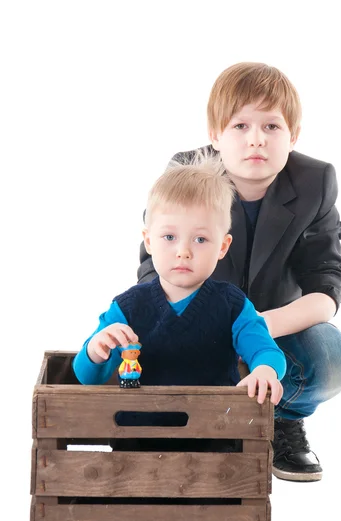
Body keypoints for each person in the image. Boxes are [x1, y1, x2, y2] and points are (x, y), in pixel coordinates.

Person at [138, 62, 341, 483]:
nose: (256, 138)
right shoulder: (185, 174)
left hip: (274, 327)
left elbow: (326, 285)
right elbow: (153, 272)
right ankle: (212, 426)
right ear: (215, 135)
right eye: (240, 125)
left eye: (272, 127)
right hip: (197, 324)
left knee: (331, 358)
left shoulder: (316, 181)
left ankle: (282, 417)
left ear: (293, 136)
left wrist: (254, 327)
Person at [73, 153, 286, 408]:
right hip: (140, 437)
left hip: (215, 433)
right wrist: (96, 350)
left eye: (200, 239)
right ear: (149, 241)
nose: (183, 251)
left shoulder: (233, 306)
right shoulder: (128, 307)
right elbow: (87, 377)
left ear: (222, 247)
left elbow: (265, 349)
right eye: (169, 237)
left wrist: (265, 370)